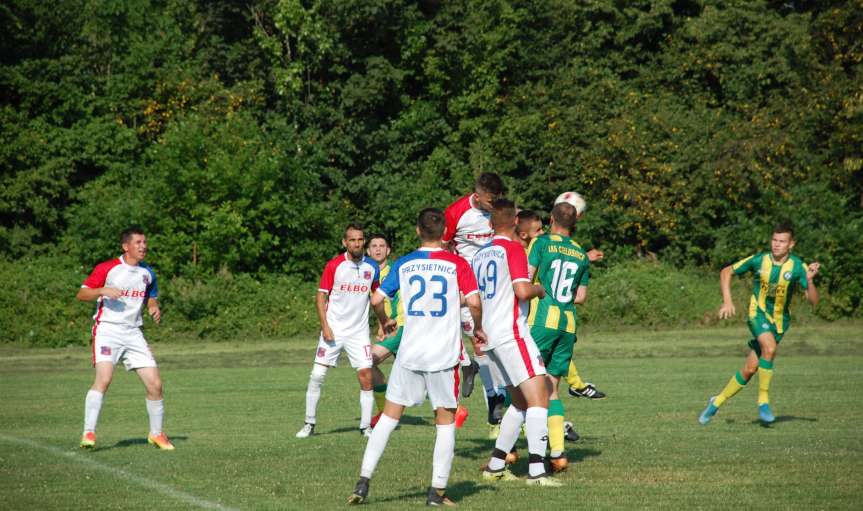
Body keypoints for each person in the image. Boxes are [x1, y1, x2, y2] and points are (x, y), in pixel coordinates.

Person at [348, 208, 484, 506]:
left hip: (409, 353)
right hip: (443, 357)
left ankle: (362, 482)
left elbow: (376, 299)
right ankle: (436, 492)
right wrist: (479, 329)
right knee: (445, 422)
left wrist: (384, 322)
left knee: (388, 418)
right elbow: (474, 301)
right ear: (444, 231)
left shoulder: (405, 263)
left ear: (418, 231)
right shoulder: (457, 263)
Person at [474, 199, 560, 487]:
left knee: (521, 401)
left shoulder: (481, 254)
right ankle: (537, 471)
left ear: (490, 224)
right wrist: (539, 288)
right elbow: (522, 291)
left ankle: (496, 464)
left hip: (491, 336)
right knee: (541, 395)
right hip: (512, 333)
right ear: (514, 223)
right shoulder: (512, 249)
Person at [699, 222, 820, 425]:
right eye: (774, 240)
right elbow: (726, 271)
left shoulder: (799, 267)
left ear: (791, 244)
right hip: (758, 314)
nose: (777, 245)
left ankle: (715, 403)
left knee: (750, 369)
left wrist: (809, 280)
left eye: (782, 241)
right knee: (770, 348)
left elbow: (814, 301)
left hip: (780, 324)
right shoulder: (759, 260)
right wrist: (727, 301)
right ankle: (763, 401)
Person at [76, 226, 174, 450]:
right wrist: (102, 290)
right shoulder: (108, 268)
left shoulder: (147, 273)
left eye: (145, 242)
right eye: (138, 242)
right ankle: (88, 432)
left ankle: (156, 434)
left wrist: (153, 306)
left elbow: (150, 296)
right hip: (107, 330)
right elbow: (82, 294)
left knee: (156, 384)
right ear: (126, 246)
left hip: (133, 332)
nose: (144, 246)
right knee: (105, 379)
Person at [296, 223, 380, 438]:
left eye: (360, 239)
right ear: (345, 242)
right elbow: (321, 296)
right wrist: (325, 326)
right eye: (352, 240)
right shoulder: (334, 265)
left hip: (358, 333)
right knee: (317, 375)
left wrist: (382, 322)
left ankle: (365, 427)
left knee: (366, 377)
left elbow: (376, 298)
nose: (357, 243)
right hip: (333, 330)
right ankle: (309, 424)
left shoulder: (372, 267)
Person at [526, 202, 591, 472]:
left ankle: (517, 453)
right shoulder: (581, 253)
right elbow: (581, 297)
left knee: (524, 382)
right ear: (574, 223)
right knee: (552, 387)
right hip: (568, 324)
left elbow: (527, 281)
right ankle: (558, 453)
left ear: (551, 219)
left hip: (544, 320)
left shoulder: (541, 243)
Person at [443, 172, 507, 434]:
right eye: (489, 200)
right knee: (481, 342)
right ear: (477, 194)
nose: (493, 205)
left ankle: (497, 399)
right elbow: (443, 245)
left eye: (497, 200)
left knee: (494, 343)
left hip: (495, 286)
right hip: (465, 287)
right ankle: (494, 400)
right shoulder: (456, 212)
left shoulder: (501, 212)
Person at [364, 234, 403, 426]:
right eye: (374, 246)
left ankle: (383, 413)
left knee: (367, 362)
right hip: (389, 327)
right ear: (368, 251)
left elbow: (392, 302)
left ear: (388, 250)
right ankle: (384, 413)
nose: (378, 249)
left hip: (399, 328)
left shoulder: (395, 271)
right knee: (419, 375)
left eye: (382, 246)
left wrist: (386, 324)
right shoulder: (367, 273)